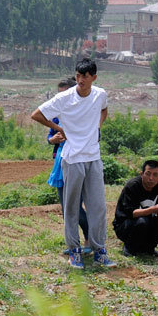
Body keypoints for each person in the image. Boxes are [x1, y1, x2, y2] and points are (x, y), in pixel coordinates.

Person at [32, 57, 114, 268]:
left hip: (93, 157)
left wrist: (98, 126)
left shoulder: (100, 95)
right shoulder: (65, 98)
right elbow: (37, 114)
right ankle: (74, 250)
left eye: (85, 77)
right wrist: (60, 130)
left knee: (98, 207)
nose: (80, 80)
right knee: (71, 207)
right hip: (72, 158)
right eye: (78, 76)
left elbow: (104, 110)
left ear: (93, 77)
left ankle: (99, 250)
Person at [46, 77, 90, 254]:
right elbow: (50, 137)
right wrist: (53, 139)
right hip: (60, 165)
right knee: (66, 207)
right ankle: (74, 244)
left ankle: (88, 241)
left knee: (75, 207)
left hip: (77, 164)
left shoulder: (84, 115)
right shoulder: (56, 118)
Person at [113, 160, 158, 257]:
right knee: (142, 221)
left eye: (155, 175)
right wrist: (153, 209)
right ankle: (129, 247)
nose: (151, 178)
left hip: (146, 223)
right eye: (148, 174)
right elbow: (131, 213)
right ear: (142, 174)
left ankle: (149, 248)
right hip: (124, 226)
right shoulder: (133, 186)